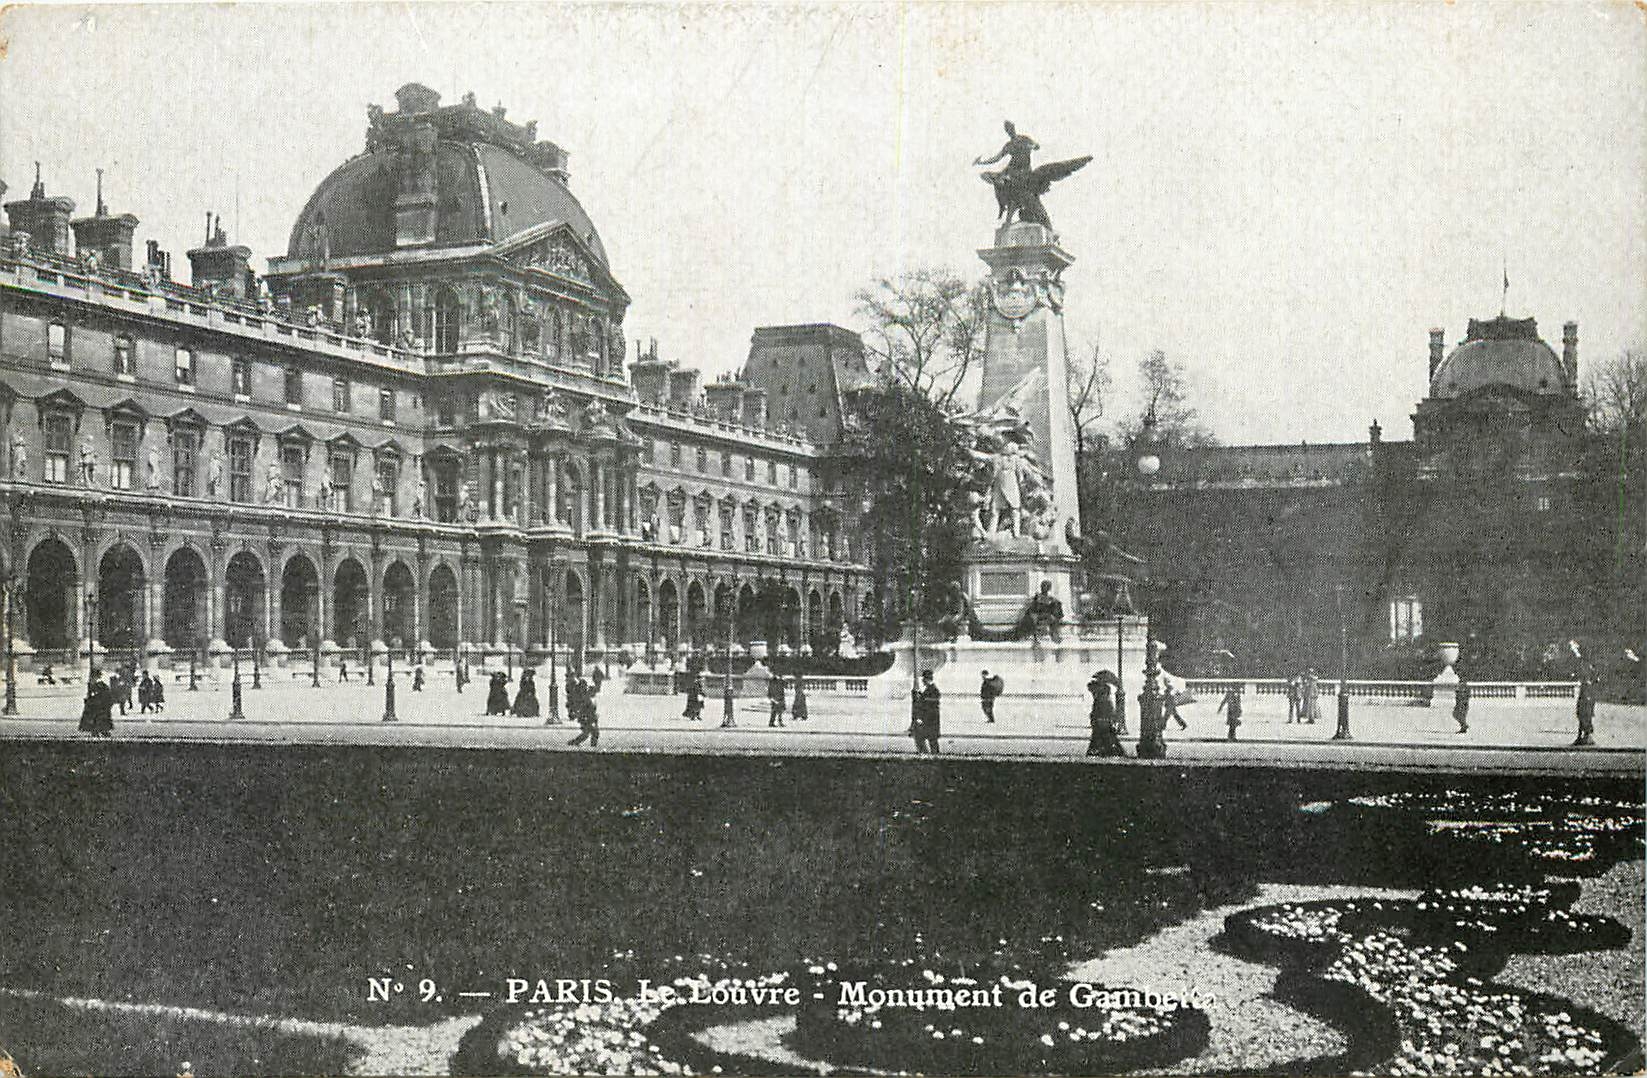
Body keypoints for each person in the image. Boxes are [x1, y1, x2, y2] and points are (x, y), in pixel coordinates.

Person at [1086, 672, 1125, 756]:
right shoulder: (1105, 695)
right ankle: (1112, 750)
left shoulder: (1100, 693)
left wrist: (1094, 717)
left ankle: (1099, 750)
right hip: (1104, 719)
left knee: (1101, 736)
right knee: (1107, 736)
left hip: (1101, 719)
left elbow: (1098, 708)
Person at [912, 669, 942, 754]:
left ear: (926, 679)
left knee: (928, 739)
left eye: (924, 679)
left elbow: (928, 703)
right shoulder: (931, 689)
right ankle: (933, 755)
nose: (922, 681)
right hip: (930, 720)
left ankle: (929, 754)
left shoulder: (933, 690)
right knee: (931, 740)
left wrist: (920, 697)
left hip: (929, 720)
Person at [78, 669, 114, 738]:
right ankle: (101, 731)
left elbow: (103, 694)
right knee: (99, 719)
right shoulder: (95, 684)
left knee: (98, 719)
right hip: (98, 705)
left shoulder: (99, 685)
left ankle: (100, 731)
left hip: (98, 705)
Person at [568, 673, 600, 747]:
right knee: (592, 733)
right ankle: (591, 747)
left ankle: (574, 743)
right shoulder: (585, 698)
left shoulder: (588, 697)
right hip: (587, 718)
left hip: (590, 717)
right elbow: (584, 708)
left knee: (589, 733)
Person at [1574, 681, 1596, 746]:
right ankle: (1582, 738)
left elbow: (1589, 703)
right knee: (1583, 724)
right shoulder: (1586, 695)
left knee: (1585, 724)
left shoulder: (1587, 695)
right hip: (1584, 711)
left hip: (1585, 712)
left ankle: (1585, 738)